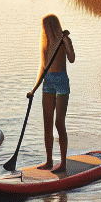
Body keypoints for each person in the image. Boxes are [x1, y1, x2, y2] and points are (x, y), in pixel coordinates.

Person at [27, 14, 75, 173]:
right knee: (47, 123)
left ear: (54, 26)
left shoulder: (62, 40)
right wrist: (33, 89)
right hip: (47, 83)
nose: (45, 29)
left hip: (61, 83)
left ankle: (63, 163)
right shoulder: (45, 45)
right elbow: (42, 69)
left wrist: (66, 40)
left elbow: (72, 58)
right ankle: (49, 161)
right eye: (44, 27)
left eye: (48, 26)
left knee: (59, 122)